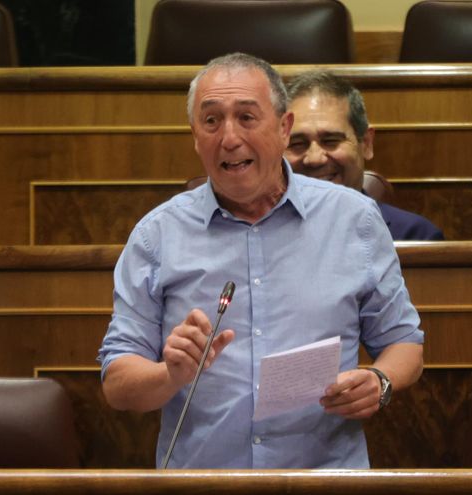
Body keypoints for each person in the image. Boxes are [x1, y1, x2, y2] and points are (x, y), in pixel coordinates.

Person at [98, 53, 423, 469]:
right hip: (206, 484)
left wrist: (380, 381)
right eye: (211, 121)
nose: (229, 138)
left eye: (247, 118)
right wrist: (171, 374)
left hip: (323, 481)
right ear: (195, 136)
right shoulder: (156, 236)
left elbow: (404, 342)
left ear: (284, 128)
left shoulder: (353, 219)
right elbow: (118, 385)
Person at [285, 70, 444, 241]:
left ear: (366, 143)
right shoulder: (261, 236)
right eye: (297, 144)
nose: (315, 159)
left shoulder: (415, 236)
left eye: (330, 140)